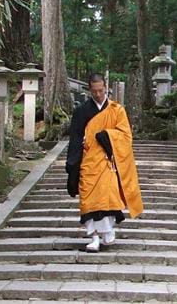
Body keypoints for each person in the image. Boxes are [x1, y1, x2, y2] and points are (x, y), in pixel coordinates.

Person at [65, 73, 143, 252]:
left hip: (108, 163)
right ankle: (93, 237)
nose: (98, 94)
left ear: (106, 87)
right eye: (94, 91)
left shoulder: (117, 110)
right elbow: (75, 139)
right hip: (88, 162)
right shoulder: (81, 111)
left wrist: (106, 135)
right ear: (89, 90)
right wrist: (72, 164)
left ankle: (107, 231)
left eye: (101, 90)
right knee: (88, 200)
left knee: (108, 197)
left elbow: (125, 136)